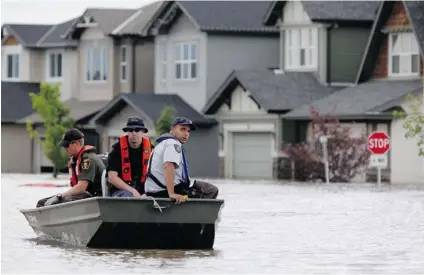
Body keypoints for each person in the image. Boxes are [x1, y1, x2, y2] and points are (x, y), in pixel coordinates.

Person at [145, 116, 219, 203]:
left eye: (188, 131)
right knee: (210, 190)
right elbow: (168, 166)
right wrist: (172, 194)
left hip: (154, 190)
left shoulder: (163, 143)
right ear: (172, 130)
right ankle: (194, 215)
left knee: (198, 188)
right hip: (162, 192)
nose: (186, 134)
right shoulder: (173, 143)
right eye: (182, 129)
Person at [36, 128, 105, 208]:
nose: (65, 148)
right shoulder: (75, 160)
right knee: (42, 203)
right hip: (83, 195)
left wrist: (59, 196)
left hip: (94, 197)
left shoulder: (88, 159)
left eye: (67, 145)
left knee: (55, 203)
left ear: (77, 143)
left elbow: (81, 187)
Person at [106, 116, 152, 197]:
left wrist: (146, 193)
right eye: (131, 130)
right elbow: (112, 178)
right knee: (128, 196)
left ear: (143, 132)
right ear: (127, 132)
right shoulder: (117, 149)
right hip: (121, 191)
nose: (134, 133)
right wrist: (132, 191)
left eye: (137, 130)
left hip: (145, 191)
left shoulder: (152, 150)